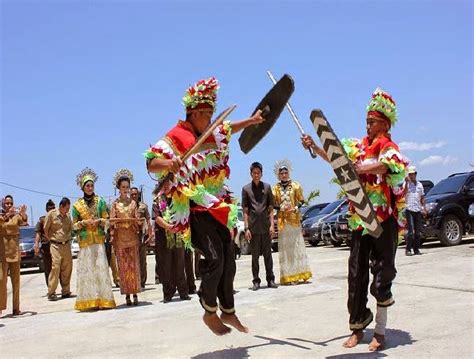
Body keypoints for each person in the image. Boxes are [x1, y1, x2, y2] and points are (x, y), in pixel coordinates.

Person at [145, 77, 264, 335]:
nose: (211, 120)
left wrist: (252, 121)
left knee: (229, 258)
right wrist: (169, 163)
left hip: (216, 206)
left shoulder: (211, 133)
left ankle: (228, 312)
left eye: (212, 115)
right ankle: (209, 310)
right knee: (214, 258)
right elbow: (151, 162)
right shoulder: (176, 136)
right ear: (194, 112)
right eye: (207, 115)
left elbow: (230, 127)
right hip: (195, 209)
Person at [302, 88, 407, 351]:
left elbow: (389, 166)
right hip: (360, 220)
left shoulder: (388, 147)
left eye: (372, 122)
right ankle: (357, 327)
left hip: (383, 221)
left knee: (382, 276)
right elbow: (338, 161)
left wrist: (363, 168)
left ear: (384, 123)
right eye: (367, 121)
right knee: (355, 274)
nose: (367, 125)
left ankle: (380, 332)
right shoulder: (358, 147)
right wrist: (315, 147)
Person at [72, 168, 116, 311]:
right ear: (82, 187)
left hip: (98, 240)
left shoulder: (101, 201)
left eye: (92, 185)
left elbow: (107, 220)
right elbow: (73, 226)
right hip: (85, 242)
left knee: (101, 269)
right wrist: (84, 223)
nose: (90, 188)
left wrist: (99, 221)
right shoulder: (76, 205)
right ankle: (88, 301)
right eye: (87, 186)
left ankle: (104, 300)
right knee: (88, 272)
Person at [272, 160, 312, 285]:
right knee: (286, 248)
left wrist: (296, 208)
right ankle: (289, 276)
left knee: (296, 246)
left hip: (294, 220)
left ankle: (300, 273)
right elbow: (272, 204)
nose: (284, 175)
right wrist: (280, 208)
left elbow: (301, 200)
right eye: (281, 173)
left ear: (288, 173)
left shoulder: (296, 186)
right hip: (283, 221)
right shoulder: (275, 189)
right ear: (278, 175)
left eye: (285, 172)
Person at [241, 162, 277, 291]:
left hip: (266, 227)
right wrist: (246, 228)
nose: (256, 175)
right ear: (251, 174)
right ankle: (256, 281)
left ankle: (270, 279)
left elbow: (271, 208)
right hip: (253, 228)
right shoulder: (246, 189)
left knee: (268, 255)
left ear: (261, 173)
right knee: (255, 256)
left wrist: (272, 225)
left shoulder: (267, 187)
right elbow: (245, 210)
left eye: (258, 172)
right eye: (254, 173)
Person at [110, 169, 142, 306]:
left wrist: (137, 222)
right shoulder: (115, 204)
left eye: (127, 187)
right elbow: (111, 220)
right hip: (121, 239)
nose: (125, 190)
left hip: (132, 237)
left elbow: (137, 219)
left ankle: (135, 293)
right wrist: (117, 225)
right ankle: (127, 295)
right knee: (123, 267)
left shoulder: (133, 203)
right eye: (123, 187)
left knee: (133, 266)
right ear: (118, 188)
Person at [154, 195, 190, 302]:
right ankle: (168, 294)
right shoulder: (157, 200)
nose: (166, 187)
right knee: (166, 267)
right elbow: (156, 217)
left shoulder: (179, 197)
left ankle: (183, 292)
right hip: (164, 238)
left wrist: (180, 226)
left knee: (180, 264)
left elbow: (186, 213)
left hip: (179, 236)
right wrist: (168, 227)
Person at [1, 195, 28, 316]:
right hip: (2, 254)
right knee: (1, 281)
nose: (9, 205)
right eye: (7, 203)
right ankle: (1, 307)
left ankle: (16, 308)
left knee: (16, 282)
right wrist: (7, 215)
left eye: (11, 203)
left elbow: (25, 221)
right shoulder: (1, 216)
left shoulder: (16, 217)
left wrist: (23, 213)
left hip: (14, 253)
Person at [43, 197, 73, 301]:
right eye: (66, 208)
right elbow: (45, 229)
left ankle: (65, 291)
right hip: (55, 245)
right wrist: (52, 239)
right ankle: (51, 292)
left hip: (66, 245)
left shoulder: (68, 216)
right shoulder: (51, 214)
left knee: (67, 268)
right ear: (61, 206)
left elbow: (70, 228)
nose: (67, 211)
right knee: (55, 267)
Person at [130, 187, 153, 290]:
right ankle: (134, 282)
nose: (134, 196)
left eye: (135, 194)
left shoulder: (143, 206)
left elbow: (148, 219)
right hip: (130, 236)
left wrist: (150, 232)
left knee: (142, 260)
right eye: (132, 194)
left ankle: (142, 282)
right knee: (132, 260)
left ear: (138, 194)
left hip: (141, 236)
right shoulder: (127, 207)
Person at [404, 166, 426, 256]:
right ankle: (408, 249)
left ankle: (416, 249)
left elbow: (422, 197)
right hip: (409, 209)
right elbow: (403, 193)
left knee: (417, 232)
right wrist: (406, 182)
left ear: (415, 174)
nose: (411, 176)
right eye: (410, 174)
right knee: (410, 231)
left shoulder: (420, 185)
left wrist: (424, 208)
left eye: (413, 174)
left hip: (417, 209)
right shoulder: (407, 184)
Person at [34, 199, 56, 286]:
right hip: (46, 247)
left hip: (56, 245)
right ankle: (50, 288)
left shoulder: (59, 218)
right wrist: (36, 244)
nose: (51, 210)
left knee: (60, 268)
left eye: (53, 208)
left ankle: (64, 289)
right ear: (46, 209)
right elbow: (38, 233)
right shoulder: (42, 220)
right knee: (48, 268)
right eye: (49, 208)